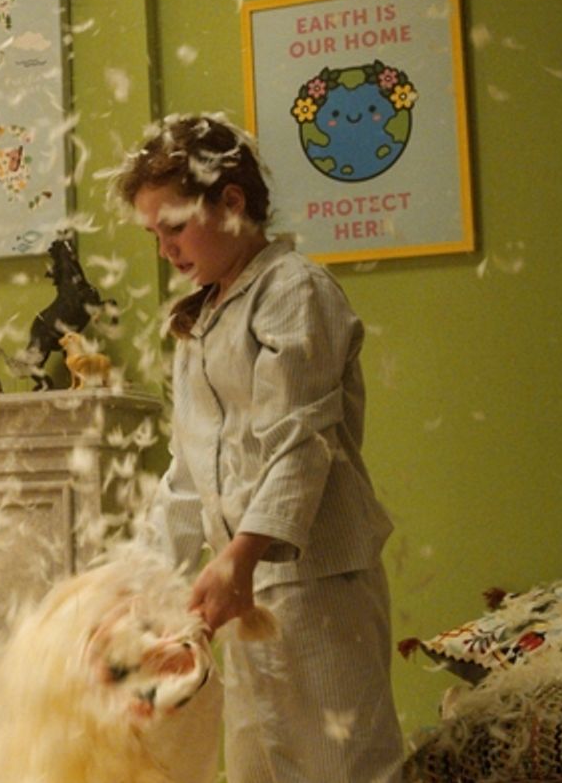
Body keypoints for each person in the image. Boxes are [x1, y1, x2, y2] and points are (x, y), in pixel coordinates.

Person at [112, 113, 404, 783]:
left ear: (232, 202)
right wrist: (139, 586)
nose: (166, 250)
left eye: (174, 226)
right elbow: (188, 477)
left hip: (315, 584)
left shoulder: (293, 291)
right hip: (240, 591)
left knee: (341, 764)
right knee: (258, 765)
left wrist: (241, 554)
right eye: (154, 235)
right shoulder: (200, 319)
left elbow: (301, 441)